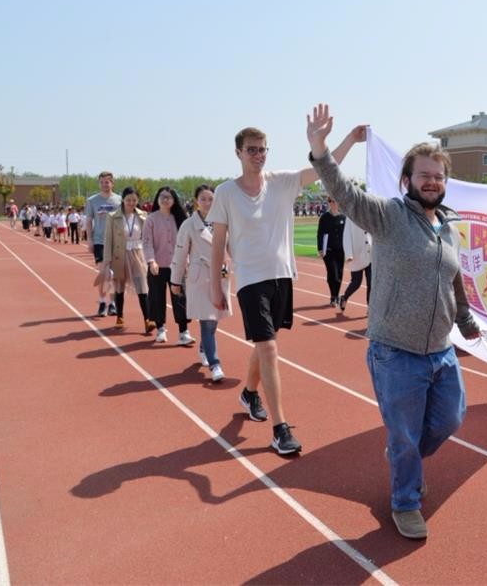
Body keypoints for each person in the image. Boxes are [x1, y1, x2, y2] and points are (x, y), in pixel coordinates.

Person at [307, 104, 481, 541]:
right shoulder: (387, 216)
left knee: (449, 421)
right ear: (407, 181)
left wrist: (463, 317)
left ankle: (404, 458)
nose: (432, 182)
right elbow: (344, 193)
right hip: (395, 352)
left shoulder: (446, 225)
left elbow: (454, 277)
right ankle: (406, 500)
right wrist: (321, 149)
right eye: (424, 175)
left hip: (441, 350)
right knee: (404, 434)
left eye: (438, 177)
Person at [207, 122, 361, 456]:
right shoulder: (226, 193)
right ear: (238, 153)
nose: (258, 155)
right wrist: (216, 284)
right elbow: (218, 240)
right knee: (270, 349)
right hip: (249, 277)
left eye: (263, 149)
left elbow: (324, 167)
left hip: (281, 275)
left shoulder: (282, 182)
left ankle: (249, 392)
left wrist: (349, 139)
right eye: (252, 149)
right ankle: (280, 429)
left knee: (267, 342)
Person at [170, 184, 230, 383]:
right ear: (197, 201)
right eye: (203, 199)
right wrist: (175, 280)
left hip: (220, 275)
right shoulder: (188, 225)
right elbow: (180, 254)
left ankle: (204, 347)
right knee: (207, 319)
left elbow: (233, 247)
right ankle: (215, 364)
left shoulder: (222, 221)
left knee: (214, 320)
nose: (207, 202)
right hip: (200, 277)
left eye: (211, 199)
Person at [143, 186, 192, 344]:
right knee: (157, 298)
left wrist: (187, 259)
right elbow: (147, 242)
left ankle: (184, 331)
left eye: (169, 197)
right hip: (157, 266)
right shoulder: (151, 219)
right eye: (162, 196)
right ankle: (160, 329)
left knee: (180, 298)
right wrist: (151, 261)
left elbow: (187, 242)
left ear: (173, 200)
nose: (165, 200)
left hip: (177, 265)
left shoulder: (180, 219)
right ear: (158, 198)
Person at [102, 187, 152, 330]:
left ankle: (147, 320)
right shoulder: (113, 216)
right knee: (119, 287)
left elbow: (148, 238)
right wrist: (107, 260)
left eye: (134, 200)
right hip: (120, 254)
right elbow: (108, 239)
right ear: (122, 199)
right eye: (128, 200)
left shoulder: (143, 216)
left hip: (138, 253)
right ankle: (120, 317)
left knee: (143, 286)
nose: (131, 203)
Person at [85, 172, 122, 317]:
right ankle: (102, 302)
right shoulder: (92, 201)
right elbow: (88, 221)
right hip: (100, 241)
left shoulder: (119, 200)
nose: (105, 184)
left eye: (107, 182)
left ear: (112, 183)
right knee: (104, 273)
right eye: (102, 182)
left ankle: (112, 303)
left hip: (116, 241)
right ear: (99, 183)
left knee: (113, 274)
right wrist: (90, 240)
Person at [338, 215, 372, 313]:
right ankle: (344, 297)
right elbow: (346, 236)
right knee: (356, 283)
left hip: (370, 254)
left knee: (371, 283)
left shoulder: (370, 213)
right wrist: (349, 254)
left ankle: (370, 307)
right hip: (357, 255)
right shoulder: (351, 216)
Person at [317, 197, 347, 306]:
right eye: (330, 201)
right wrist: (320, 248)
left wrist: (349, 250)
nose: (333, 203)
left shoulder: (343, 217)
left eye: (334, 201)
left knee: (339, 274)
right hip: (328, 250)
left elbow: (347, 235)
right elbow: (320, 233)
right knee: (332, 273)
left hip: (340, 251)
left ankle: (336, 295)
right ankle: (333, 296)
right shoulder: (324, 217)